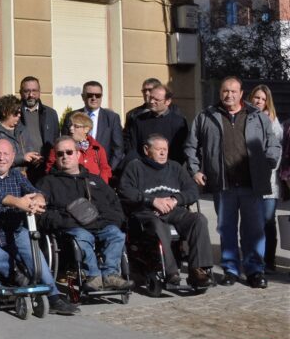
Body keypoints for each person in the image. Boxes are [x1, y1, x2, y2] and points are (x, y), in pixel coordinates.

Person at [0, 139, 80, 315]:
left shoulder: (17, 175)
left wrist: (38, 200)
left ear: (12, 158)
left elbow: (35, 191)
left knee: (34, 252)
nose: (1, 158)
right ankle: (17, 275)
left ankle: (54, 297)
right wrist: (18, 202)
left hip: (12, 225)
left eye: (6, 154)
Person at [185, 77, 280, 288]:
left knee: (254, 231)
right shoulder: (206, 116)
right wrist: (195, 170)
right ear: (220, 92)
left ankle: (255, 271)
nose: (229, 95)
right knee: (226, 230)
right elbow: (191, 146)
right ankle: (231, 270)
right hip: (223, 185)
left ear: (241, 93)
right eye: (225, 91)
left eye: (233, 91)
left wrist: (268, 163)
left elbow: (273, 144)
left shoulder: (257, 116)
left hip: (251, 184)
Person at [121, 135, 214, 288]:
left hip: (174, 210)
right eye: (158, 150)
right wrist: (152, 201)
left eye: (165, 149)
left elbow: (192, 191)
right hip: (147, 213)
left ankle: (199, 270)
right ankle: (171, 272)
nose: (163, 153)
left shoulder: (175, 167)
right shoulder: (135, 167)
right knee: (158, 225)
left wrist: (176, 199)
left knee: (198, 219)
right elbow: (126, 192)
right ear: (146, 150)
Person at [38, 137, 130, 291]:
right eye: (60, 154)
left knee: (116, 234)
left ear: (78, 154)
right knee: (82, 236)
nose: (65, 156)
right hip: (71, 228)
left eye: (69, 152)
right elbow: (41, 214)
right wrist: (66, 222)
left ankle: (110, 275)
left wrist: (110, 221)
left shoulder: (95, 180)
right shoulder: (47, 182)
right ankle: (93, 276)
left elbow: (115, 206)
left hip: (101, 224)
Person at [249, 84, 283, 272]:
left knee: (268, 221)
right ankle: (253, 258)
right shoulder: (246, 118)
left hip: (270, 181)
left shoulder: (275, 124)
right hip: (250, 181)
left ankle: (269, 260)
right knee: (251, 222)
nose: (259, 102)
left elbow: (277, 153)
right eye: (257, 98)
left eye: (263, 99)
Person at [64, 81, 124, 170]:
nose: (94, 98)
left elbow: (118, 149)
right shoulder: (71, 116)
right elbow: (65, 142)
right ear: (83, 96)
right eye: (90, 95)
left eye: (98, 95)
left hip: (102, 171)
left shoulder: (112, 118)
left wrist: (108, 170)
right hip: (76, 170)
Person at [125, 85, 189, 165]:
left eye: (156, 100)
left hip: (169, 170)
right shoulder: (139, 120)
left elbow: (181, 150)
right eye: (151, 98)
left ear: (167, 101)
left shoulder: (179, 122)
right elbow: (132, 146)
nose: (151, 102)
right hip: (143, 168)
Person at [44, 111, 112, 184]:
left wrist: (101, 186)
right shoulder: (59, 147)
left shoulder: (97, 148)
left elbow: (105, 169)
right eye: (70, 125)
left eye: (76, 126)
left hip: (94, 189)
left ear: (86, 129)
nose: (71, 129)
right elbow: (49, 169)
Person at [17, 77, 60, 181]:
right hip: (21, 168)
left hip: (46, 167)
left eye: (34, 91)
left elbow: (56, 140)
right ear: (21, 93)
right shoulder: (15, 113)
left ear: (39, 92)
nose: (31, 95)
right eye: (27, 91)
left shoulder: (51, 114)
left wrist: (47, 158)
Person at [0, 95, 39, 171]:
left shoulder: (23, 129)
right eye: (15, 113)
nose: (19, 115)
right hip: (5, 178)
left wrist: (35, 158)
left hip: (26, 177)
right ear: (5, 112)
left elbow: (29, 151)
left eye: (20, 112)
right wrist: (22, 158)